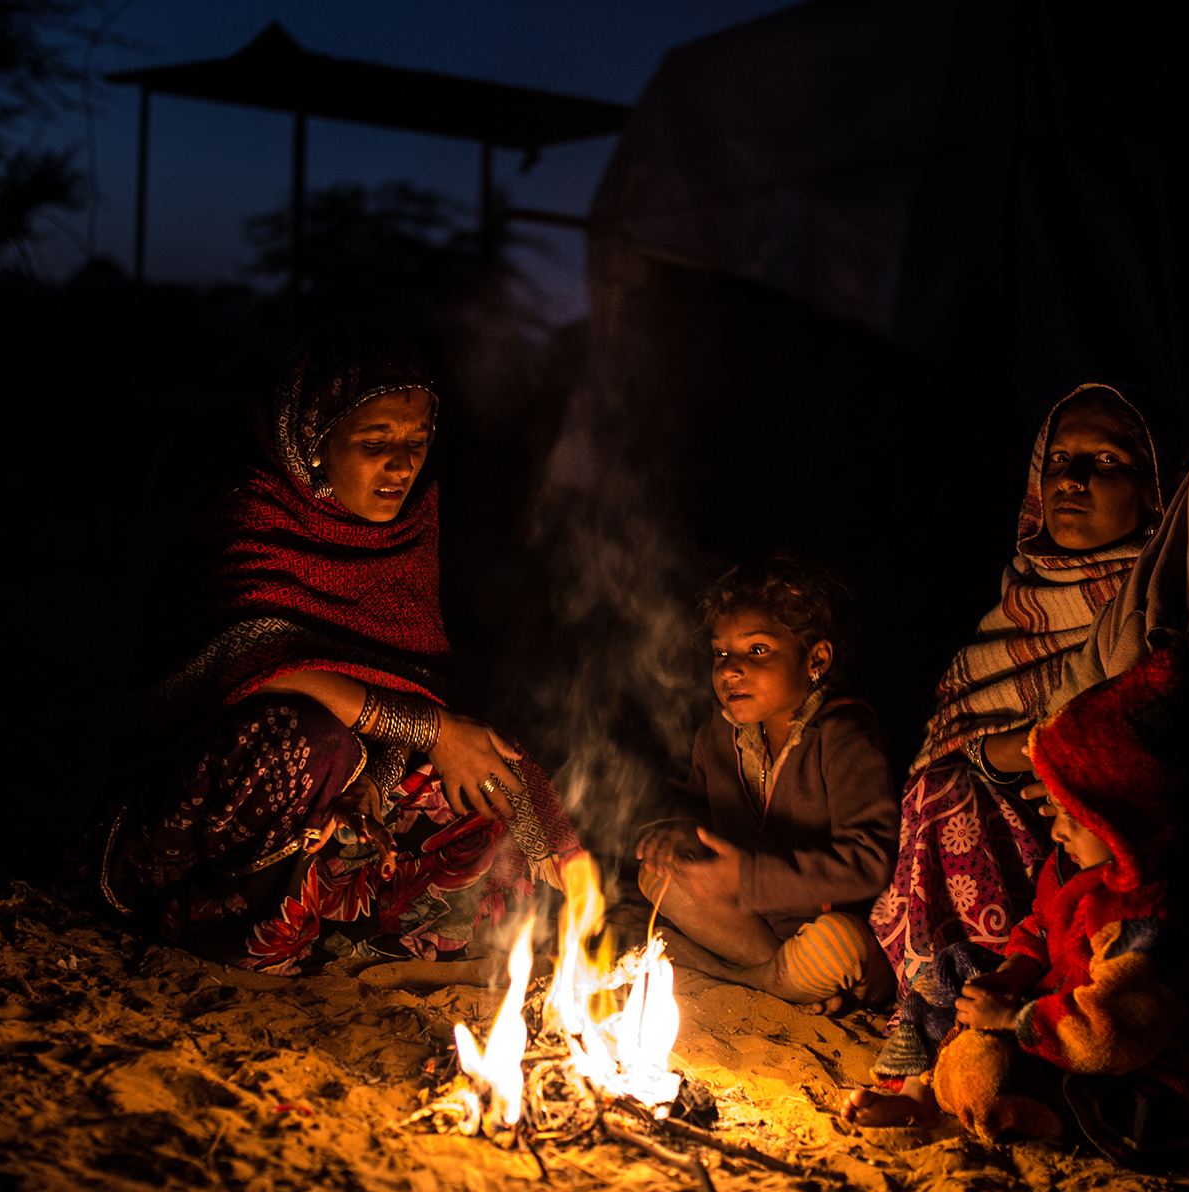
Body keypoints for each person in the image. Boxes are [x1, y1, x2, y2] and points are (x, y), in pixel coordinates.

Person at [95, 328, 578, 972]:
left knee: (482, 809)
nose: (402, 466)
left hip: (339, 788)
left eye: (417, 442)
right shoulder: (250, 513)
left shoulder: (408, 530)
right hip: (190, 813)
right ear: (314, 443)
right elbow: (253, 662)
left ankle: (322, 924)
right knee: (315, 741)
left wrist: (393, 774)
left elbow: (408, 679)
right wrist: (425, 726)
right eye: (374, 443)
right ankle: (208, 915)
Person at [861, 385, 1189, 1091]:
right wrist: (1000, 751)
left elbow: (1130, 738)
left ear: (1154, 491)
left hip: (1105, 839)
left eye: (1106, 461)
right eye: (1061, 459)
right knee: (941, 788)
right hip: (1027, 833)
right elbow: (973, 731)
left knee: (951, 793)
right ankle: (942, 997)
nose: (1072, 479)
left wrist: (1021, 751)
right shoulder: (1020, 599)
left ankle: (971, 1018)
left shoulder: (1160, 604)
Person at [843, 649, 1189, 1159]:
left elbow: (1107, 1034)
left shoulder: (1150, 920)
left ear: (1126, 824)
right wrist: (1012, 975)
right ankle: (915, 1094)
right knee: (953, 966)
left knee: (991, 1073)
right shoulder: (1070, 870)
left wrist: (1012, 1018)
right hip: (1046, 1013)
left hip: (1132, 1070)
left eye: (1075, 818)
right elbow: (1039, 928)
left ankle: (987, 1099)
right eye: (1055, 810)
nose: (1057, 830)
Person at [636, 555, 897, 1011]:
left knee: (838, 948)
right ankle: (775, 980)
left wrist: (750, 878)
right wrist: (676, 830)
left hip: (830, 928)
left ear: (816, 658)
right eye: (721, 653)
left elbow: (871, 863)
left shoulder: (844, 735)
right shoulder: (717, 736)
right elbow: (689, 800)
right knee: (658, 876)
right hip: (756, 931)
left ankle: (749, 979)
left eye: (757, 650)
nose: (729, 670)